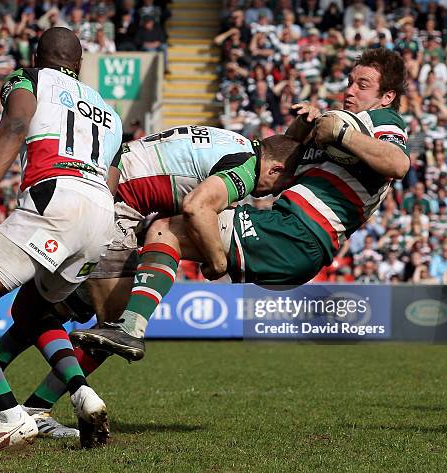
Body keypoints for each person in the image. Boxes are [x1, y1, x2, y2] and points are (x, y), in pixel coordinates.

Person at [0, 126, 301, 438]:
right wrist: (216, 260)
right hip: (113, 208)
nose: (270, 195)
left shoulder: (235, 141)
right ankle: (37, 406)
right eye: (279, 186)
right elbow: (197, 207)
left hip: (99, 193)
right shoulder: (244, 167)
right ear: (274, 170)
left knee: (56, 307)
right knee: (116, 328)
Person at [72, 48, 411, 361]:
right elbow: (279, 160)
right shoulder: (340, 131)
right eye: (349, 82)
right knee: (164, 228)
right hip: (291, 239)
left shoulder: (382, 121)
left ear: (387, 96)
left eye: (362, 85)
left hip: (295, 233)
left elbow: (398, 165)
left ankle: (129, 327)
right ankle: (64, 380)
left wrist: (342, 134)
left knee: (165, 229)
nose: (350, 90)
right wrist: (302, 126)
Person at [0, 27, 122, 453]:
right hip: (100, 213)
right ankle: (82, 393)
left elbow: (16, 123)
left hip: (56, 198)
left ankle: (8, 415)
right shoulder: (108, 111)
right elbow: (111, 174)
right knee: (34, 310)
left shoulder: (29, 79)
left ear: (37, 57)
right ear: (78, 64)